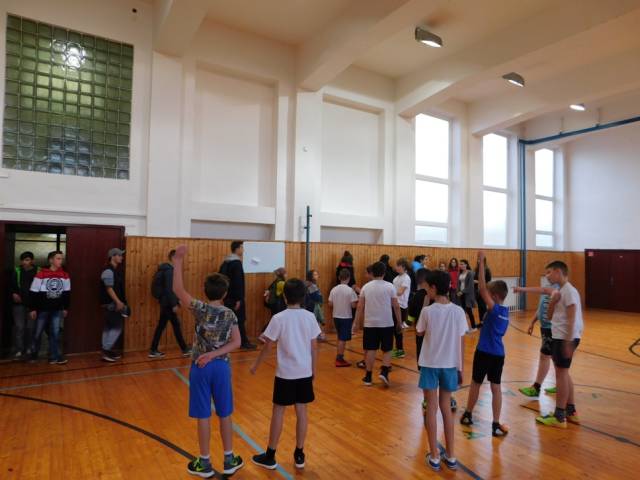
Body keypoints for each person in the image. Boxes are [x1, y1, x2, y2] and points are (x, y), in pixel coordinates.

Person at [172, 245, 244, 477]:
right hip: (221, 367)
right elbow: (237, 342)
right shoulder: (230, 314)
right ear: (225, 293)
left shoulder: (200, 309)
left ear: (205, 291)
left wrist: (178, 260)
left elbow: (178, 289)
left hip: (200, 367)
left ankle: (204, 462)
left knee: (203, 414)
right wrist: (215, 354)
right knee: (225, 413)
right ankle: (229, 459)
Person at [250, 278, 320, 471]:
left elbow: (267, 346)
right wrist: (313, 370)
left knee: (278, 411)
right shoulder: (310, 317)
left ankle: (270, 455)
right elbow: (314, 347)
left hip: (285, 375)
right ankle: (299, 454)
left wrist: (256, 365)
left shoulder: (278, 318)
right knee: (302, 411)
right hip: (304, 373)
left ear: (284, 297)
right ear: (303, 296)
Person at [516, 261, 583, 428]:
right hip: (559, 336)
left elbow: (572, 317)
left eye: (549, 272)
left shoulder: (569, 291)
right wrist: (552, 301)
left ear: (558, 272)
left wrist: (568, 341)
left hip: (564, 338)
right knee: (564, 374)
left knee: (561, 375)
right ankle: (571, 411)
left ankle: (559, 417)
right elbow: (550, 316)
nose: (547, 276)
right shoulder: (559, 291)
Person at [416, 269, 466, 472]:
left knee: (431, 408)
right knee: (446, 408)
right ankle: (451, 456)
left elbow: (419, 331)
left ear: (434, 288)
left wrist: (425, 305)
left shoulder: (427, 311)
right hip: (450, 365)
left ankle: (435, 456)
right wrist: (461, 368)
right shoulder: (458, 311)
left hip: (430, 364)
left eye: (427, 288)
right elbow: (461, 342)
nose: (426, 291)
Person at [460, 251, 510, 437]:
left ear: (494, 296)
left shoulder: (495, 310)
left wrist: (481, 263)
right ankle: (495, 423)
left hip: (484, 352)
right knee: (496, 387)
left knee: (476, 383)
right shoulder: (505, 311)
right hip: (498, 354)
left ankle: (468, 414)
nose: (485, 295)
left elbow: (481, 288)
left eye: (489, 294)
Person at [410, 268, 458, 414]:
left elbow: (414, 323)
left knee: (435, 381)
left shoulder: (431, 302)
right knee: (431, 376)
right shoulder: (421, 298)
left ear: (431, 285)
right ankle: (431, 399)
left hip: (434, 350)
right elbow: (414, 321)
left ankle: (434, 399)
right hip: (429, 347)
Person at [352, 261, 401, 386]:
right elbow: (396, 306)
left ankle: (368, 377)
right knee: (387, 349)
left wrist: (356, 323)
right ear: (384, 273)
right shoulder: (390, 286)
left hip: (370, 324)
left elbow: (360, 306)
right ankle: (384, 372)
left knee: (371, 349)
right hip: (387, 323)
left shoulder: (366, 287)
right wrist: (399, 322)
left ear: (372, 272)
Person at [518, 277, 560, 397]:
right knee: (553, 358)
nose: (547, 275)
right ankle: (560, 385)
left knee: (545, 357)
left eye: (550, 272)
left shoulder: (557, 290)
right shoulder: (547, 289)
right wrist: (532, 322)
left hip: (552, 329)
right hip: (545, 328)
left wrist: (521, 289)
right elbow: (541, 308)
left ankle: (536, 388)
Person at [28, 250, 70, 365]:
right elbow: (33, 292)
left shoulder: (65, 275)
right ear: (51, 260)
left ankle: (54, 356)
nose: (60, 261)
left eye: (61, 258)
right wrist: (32, 308)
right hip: (42, 309)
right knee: (37, 332)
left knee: (55, 333)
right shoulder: (41, 274)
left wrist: (65, 308)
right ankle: (33, 354)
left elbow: (67, 293)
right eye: (58, 258)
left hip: (57, 309)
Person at [149, 250, 191, 358]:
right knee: (174, 325)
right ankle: (184, 349)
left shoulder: (167, 269)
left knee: (164, 325)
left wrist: (177, 300)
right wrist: (174, 304)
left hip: (165, 302)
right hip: (167, 303)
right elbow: (169, 289)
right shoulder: (169, 270)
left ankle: (154, 349)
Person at [219, 241, 256, 350]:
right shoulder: (236, 263)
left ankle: (223, 342)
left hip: (226, 297)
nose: (243, 250)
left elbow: (221, 279)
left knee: (228, 320)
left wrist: (222, 296)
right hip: (235, 298)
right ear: (237, 248)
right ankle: (243, 343)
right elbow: (238, 282)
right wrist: (238, 299)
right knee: (240, 320)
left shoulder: (225, 262)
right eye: (242, 247)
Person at [100, 248, 127, 362]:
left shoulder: (115, 271)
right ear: (113, 256)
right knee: (117, 328)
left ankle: (107, 350)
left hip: (112, 304)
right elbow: (109, 288)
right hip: (111, 304)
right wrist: (118, 302)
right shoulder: (108, 271)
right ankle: (106, 350)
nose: (122, 257)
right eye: (119, 255)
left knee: (109, 327)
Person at [10, 251, 38, 360]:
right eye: (23, 260)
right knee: (19, 327)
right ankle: (19, 349)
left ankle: (29, 348)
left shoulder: (38, 271)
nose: (25, 262)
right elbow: (11, 285)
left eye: (27, 260)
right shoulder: (17, 270)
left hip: (33, 305)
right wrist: (13, 293)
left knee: (31, 327)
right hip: (19, 304)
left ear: (32, 260)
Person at [328, 268, 358, 367]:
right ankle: (339, 359)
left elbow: (330, 304)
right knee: (342, 339)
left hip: (336, 316)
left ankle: (339, 356)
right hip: (346, 317)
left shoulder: (334, 289)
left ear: (339, 277)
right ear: (349, 278)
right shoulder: (350, 290)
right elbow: (353, 305)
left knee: (340, 337)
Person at [391, 258, 411, 358]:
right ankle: (397, 348)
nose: (396, 267)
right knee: (393, 329)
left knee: (398, 329)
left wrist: (389, 291)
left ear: (403, 266)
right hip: (394, 305)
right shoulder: (396, 278)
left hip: (401, 306)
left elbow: (400, 292)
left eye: (397, 266)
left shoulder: (406, 278)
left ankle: (400, 350)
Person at [355, 264, 374, 369]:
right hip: (382, 321)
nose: (365, 275)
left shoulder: (368, 286)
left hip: (370, 319)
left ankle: (366, 362)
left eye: (366, 273)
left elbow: (361, 304)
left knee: (368, 343)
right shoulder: (386, 285)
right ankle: (386, 365)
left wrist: (356, 322)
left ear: (371, 273)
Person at [304, 269, 325, 341]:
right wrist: (320, 299)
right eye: (315, 274)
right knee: (315, 321)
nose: (317, 276)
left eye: (317, 274)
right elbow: (316, 297)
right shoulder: (311, 285)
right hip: (312, 306)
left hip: (311, 306)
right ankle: (315, 336)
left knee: (315, 321)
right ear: (311, 276)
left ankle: (316, 335)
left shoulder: (311, 285)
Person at [457, 259, 477, 330]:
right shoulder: (460, 273)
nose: (461, 265)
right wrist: (458, 291)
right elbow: (458, 284)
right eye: (460, 264)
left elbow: (470, 286)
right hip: (461, 294)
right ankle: (464, 327)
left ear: (466, 265)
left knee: (469, 311)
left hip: (467, 294)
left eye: (462, 264)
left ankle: (474, 327)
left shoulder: (470, 273)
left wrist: (462, 292)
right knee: (463, 311)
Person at [474, 258, 493, 326]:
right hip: (477, 291)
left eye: (480, 260)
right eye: (478, 260)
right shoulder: (476, 269)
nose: (478, 261)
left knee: (483, 307)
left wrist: (478, 282)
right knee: (480, 307)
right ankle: (481, 322)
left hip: (484, 291)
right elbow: (474, 279)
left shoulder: (487, 270)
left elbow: (488, 282)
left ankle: (485, 322)